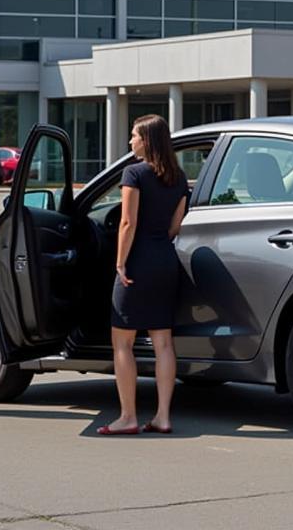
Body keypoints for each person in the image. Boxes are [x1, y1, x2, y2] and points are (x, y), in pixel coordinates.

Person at [100, 114, 188, 435]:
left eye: (134, 135)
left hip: (137, 263)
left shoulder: (133, 173)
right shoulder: (178, 178)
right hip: (165, 260)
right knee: (163, 343)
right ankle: (163, 416)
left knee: (122, 342)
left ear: (147, 140)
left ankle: (128, 417)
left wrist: (121, 263)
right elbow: (174, 227)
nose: (130, 141)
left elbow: (127, 223)